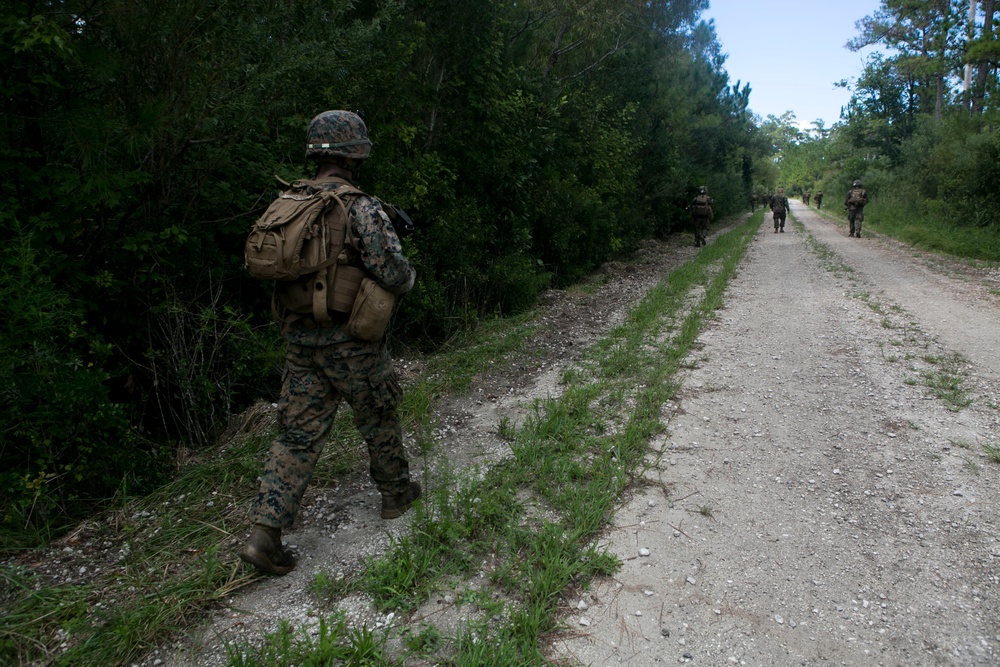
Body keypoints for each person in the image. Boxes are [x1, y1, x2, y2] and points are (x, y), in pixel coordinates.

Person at [239, 110, 420, 575]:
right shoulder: (358, 206)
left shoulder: (290, 201)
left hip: (300, 341)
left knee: (297, 435)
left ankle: (265, 535)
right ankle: (397, 495)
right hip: (350, 341)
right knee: (377, 413)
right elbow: (393, 273)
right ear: (354, 154)